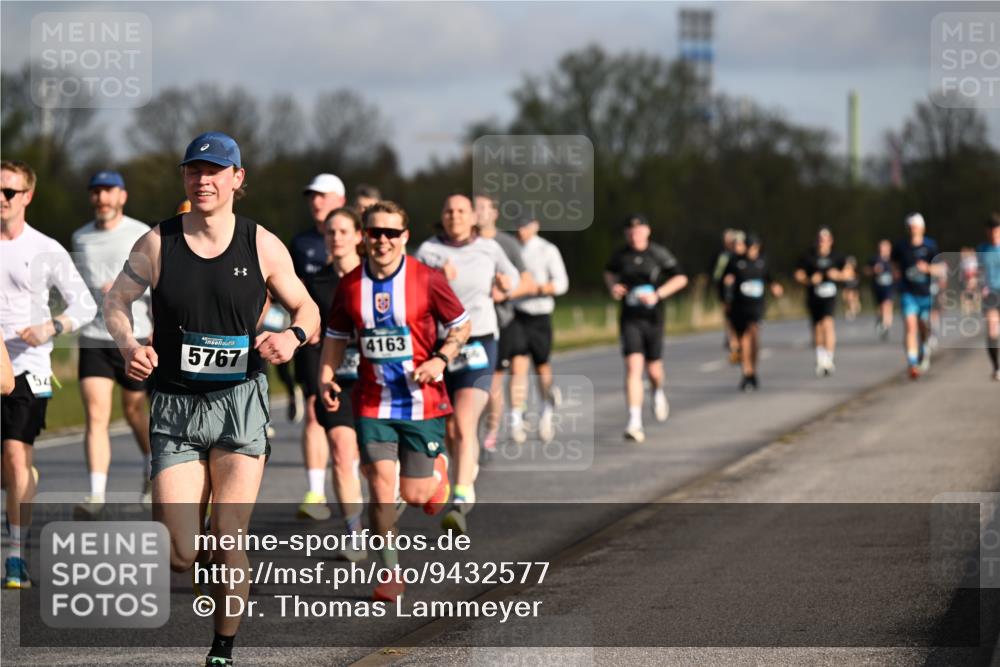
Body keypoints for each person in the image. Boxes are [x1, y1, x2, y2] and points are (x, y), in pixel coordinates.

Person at [103, 132, 320, 667]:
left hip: (239, 403)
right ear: (184, 177)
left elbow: (309, 310)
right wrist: (129, 344)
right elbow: (116, 300)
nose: (204, 180)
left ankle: (222, 649)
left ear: (237, 179)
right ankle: (200, 553)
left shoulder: (261, 243)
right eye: (195, 171)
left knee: (228, 534)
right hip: (175, 405)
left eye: (215, 171)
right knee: (180, 553)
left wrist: (291, 337)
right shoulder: (158, 243)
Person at [320, 200, 470, 601]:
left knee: (418, 495)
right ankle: (390, 574)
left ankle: (437, 472)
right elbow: (335, 335)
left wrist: (441, 358)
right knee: (380, 488)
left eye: (391, 233)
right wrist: (326, 375)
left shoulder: (427, 279)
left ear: (405, 237)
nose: (382, 240)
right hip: (373, 402)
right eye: (374, 233)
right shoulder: (351, 284)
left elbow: (461, 324)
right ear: (364, 237)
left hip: (422, 401)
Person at [1, 160, 97, 589]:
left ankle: (15, 555)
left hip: (31, 367)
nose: (1, 199)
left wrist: (50, 328)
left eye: (10, 192)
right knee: (12, 466)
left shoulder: (46, 248)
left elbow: (86, 306)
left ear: (28, 197)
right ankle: (21, 482)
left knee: (17, 453)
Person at [415, 194, 520, 534]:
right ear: (442, 217)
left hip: (479, 341)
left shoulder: (489, 248)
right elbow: (412, 291)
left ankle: (460, 498)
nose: (455, 216)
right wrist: (436, 277)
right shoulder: (429, 251)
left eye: (461, 211)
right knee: (449, 428)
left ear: (473, 217)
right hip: (441, 344)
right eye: (448, 211)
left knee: (463, 421)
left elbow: (514, 278)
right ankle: (463, 469)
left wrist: (506, 286)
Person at [71, 171, 153, 518]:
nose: (102, 198)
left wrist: (120, 289)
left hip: (134, 336)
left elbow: (157, 282)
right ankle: (96, 494)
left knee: (135, 411)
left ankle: (152, 466)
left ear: (122, 196)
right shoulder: (81, 237)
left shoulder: (141, 234)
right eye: (96, 192)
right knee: (95, 415)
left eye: (108, 192)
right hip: (93, 336)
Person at [303, 207, 367, 560]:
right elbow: (309, 331)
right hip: (337, 379)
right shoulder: (317, 284)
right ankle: (355, 532)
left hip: (377, 379)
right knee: (343, 453)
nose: (337, 238)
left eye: (344, 231)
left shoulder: (373, 277)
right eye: (330, 232)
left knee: (373, 462)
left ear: (359, 236)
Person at [291, 173, 347, 520]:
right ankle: (315, 492)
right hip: (315, 339)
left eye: (322, 196)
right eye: (312, 196)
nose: (316, 202)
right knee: (315, 410)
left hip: (354, 340)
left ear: (340, 199)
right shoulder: (299, 244)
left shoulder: (358, 237)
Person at [604, 214, 688, 443]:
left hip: (653, 318)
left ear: (647, 231)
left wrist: (658, 294)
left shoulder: (657, 253)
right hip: (630, 318)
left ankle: (658, 392)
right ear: (626, 233)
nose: (635, 234)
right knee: (633, 367)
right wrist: (614, 288)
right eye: (630, 231)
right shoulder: (621, 255)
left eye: (639, 230)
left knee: (653, 370)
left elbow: (681, 278)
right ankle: (634, 421)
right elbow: (609, 273)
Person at [473, 194, 535, 452]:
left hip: (500, 323)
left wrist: (504, 293)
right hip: (467, 324)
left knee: (493, 382)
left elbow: (528, 283)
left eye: (484, 208)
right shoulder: (460, 243)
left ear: (495, 213)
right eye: (474, 207)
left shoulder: (506, 244)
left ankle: (491, 433)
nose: (479, 212)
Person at [511, 217, 569, 443]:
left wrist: (540, 288)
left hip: (540, 314)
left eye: (525, 225)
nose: (521, 230)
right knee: (517, 367)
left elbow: (563, 283)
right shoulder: (510, 247)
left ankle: (546, 411)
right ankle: (516, 419)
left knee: (542, 367)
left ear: (535, 226)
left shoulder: (547, 249)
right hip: (517, 314)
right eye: (517, 225)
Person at [722, 234, 783, 390]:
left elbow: (770, 278)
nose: (751, 251)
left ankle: (753, 371)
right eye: (749, 247)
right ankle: (746, 372)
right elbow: (726, 280)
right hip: (739, 307)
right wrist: (727, 296)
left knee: (754, 334)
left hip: (757, 307)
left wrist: (775, 287)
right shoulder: (736, 262)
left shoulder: (762, 262)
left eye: (754, 248)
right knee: (743, 340)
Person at [890, 213, 943, 380]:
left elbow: (941, 269)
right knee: (910, 326)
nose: (913, 230)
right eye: (911, 227)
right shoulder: (900, 247)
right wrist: (896, 275)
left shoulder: (931, 246)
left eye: (916, 227)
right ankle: (912, 363)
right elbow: (894, 265)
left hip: (926, 293)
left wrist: (927, 269)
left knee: (923, 327)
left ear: (922, 228)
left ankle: (924, 348)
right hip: (908, 293)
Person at [794, 227, 846, 377]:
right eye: (820, 240)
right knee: (817, 327)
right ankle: (820, 358)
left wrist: (838, 275)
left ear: (831, 241)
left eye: (825, 240)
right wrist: (809, 280)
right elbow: (798, 274)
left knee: (828, 324)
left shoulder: (837, 256)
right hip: (814, 296)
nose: (822, 243)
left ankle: (829, 360)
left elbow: (850, 273)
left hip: (829, 296)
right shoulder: (808, 257)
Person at [712, 229, 743, 364]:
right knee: (730, 317)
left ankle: (738, 342)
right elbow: (717, 273)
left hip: (744, 294)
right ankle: (733, 344)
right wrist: (723, 280)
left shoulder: (743, 256)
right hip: (727, 292)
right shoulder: (723, 256)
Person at [976, 213, 1000, 381]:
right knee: (992, 329)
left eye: (997, 232)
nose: (994, 235)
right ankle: (997, 368)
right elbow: (977, 272)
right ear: (987, 232)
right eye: (991, 232)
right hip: (990, 293)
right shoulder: (982, 249)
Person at [865, 239, 895, 340]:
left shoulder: (892, 260)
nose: (883, 249)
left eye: (886, 247)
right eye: (882, 247)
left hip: (889, 287)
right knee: (880, 307)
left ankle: (886, 326)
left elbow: (897, 273)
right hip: (877, 287)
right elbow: (866, 271)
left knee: (887, 304)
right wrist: (874, 270)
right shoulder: (874, 259)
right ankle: (880, 320)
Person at [841, 256, 861, 321]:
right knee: (846, 299)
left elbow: (856, 280)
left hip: (853, 286)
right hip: (846, 286)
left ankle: (853, 311)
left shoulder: (854, 271)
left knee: (852, 298)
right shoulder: (844, 269)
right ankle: (850, 310)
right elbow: (842, 278)